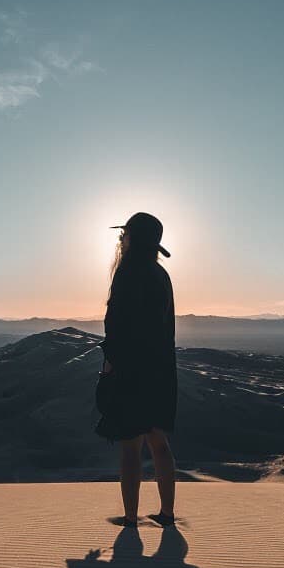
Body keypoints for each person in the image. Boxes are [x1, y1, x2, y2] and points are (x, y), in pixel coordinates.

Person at [94, 212, 177, 528]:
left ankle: (131, 518)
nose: (120, 239)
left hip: (132, 370)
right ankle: (166, 514)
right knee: (158, 441)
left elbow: (116, 324)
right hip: (161, 370)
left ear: (133, 239)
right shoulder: (161, 275)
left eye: (124, 234)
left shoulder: (127, 272)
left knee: (130, 444)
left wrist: (111, 362)